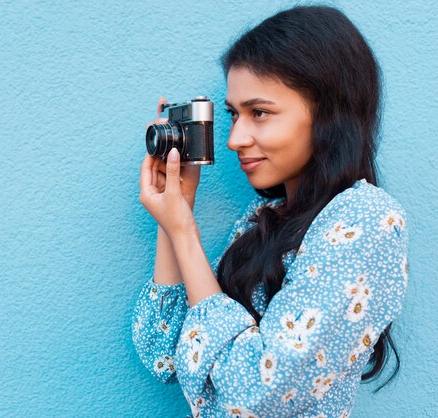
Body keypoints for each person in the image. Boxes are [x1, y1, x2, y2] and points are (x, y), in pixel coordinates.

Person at [132, 5, 409, 418]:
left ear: (328, 113)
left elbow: (258, 392)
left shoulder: (367, 219)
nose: (235, 139)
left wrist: (185, 231)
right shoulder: (261, 221)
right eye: (232, 115)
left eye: (259, 113)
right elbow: (163, 353)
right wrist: (173, 213)